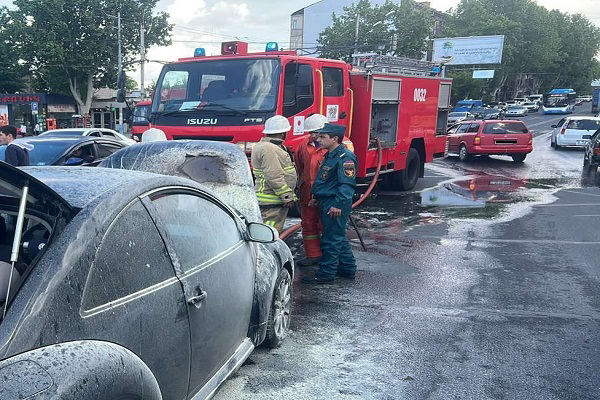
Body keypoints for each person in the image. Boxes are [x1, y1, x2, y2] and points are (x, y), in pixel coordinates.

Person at [302, 123, 358, 284]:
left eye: (322, 137)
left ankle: (326, 273)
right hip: (327, 200)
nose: (318, 139)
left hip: (335, 202)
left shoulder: (345, 158)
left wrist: (338, 205)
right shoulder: (331, 155)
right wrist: (317, 197)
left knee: (330, 239)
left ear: (334, 139)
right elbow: (327, 181)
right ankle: (347, 269)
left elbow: (346, 185)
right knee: (337, 237)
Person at [251, 115, 297, 233]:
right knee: (269, 232)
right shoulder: (270, 149)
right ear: (283, 133)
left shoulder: (268, 146)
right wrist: (286, 196)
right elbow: (273, 175)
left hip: (271, 198)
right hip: (272, 199)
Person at [294, 114, 328, 266]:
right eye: (311, 133)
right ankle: (313, 254)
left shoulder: (337, 145)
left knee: (327, 225)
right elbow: (300, 167)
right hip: (307, 192)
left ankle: (328, 257)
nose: (313, 136)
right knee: (308, 224)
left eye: (317, 132)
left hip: (327, 194)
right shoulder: (303, 145)